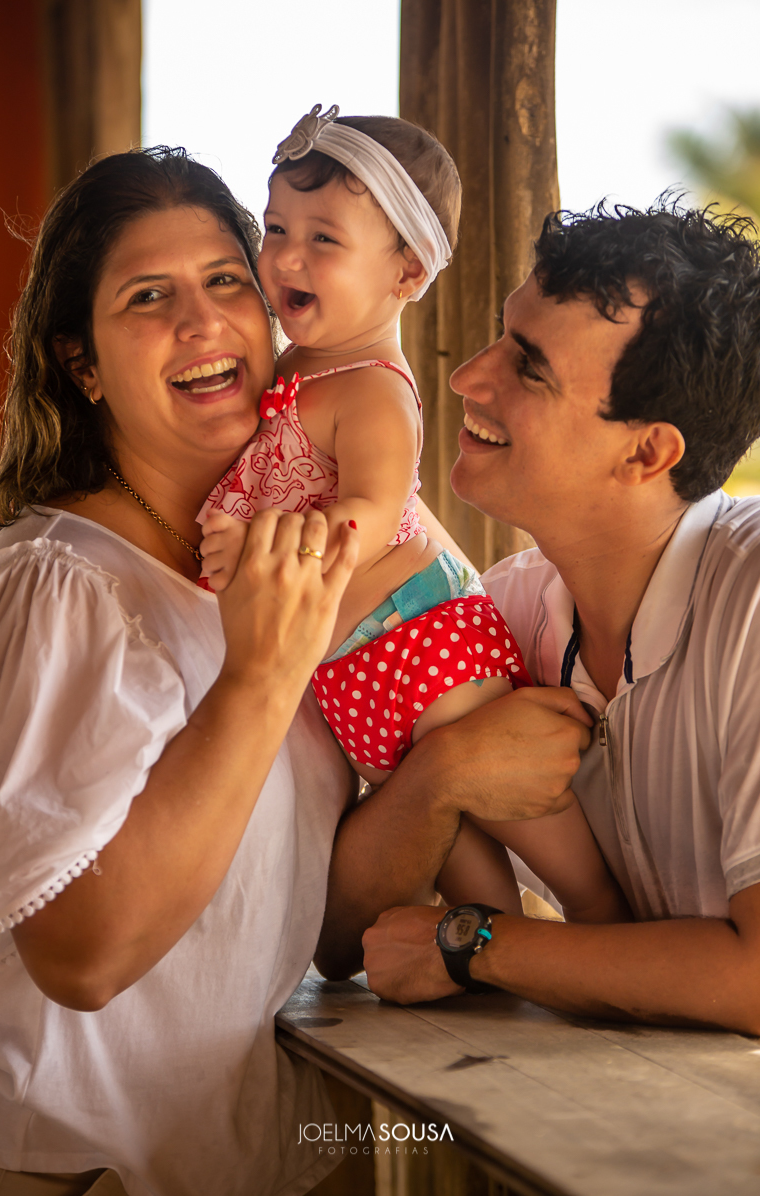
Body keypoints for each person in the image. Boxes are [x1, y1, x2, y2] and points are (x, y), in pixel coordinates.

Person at [0, 147, 361, 1196]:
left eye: (226, 280)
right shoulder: (58, 584)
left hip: (249, 1157)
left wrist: (455, 778)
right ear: (80, 363)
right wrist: (260, 678)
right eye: (150, 297)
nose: (202, 323)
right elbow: (83, 956)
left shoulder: (287, 564)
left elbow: (306, 912)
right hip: (67, 1170)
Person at [322, 201, 760, 1037]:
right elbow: (343, 939)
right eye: (503, 336)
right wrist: (443, 771)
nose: (466, 377)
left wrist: (476, 944)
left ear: (647, 453)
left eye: (529, 368)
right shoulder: (507, 610)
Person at [199, 106, 627, 924]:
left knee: (526, 820)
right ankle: (505, 964)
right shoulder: (291, 365)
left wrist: (262, 547)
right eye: (277, 226)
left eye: (324, 239)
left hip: (424, 648)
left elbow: (370, 509)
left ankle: (612, 925)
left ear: (405, 274)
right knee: (454, 853)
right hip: (353, 679)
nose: (287, 254)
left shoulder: (372, 388)